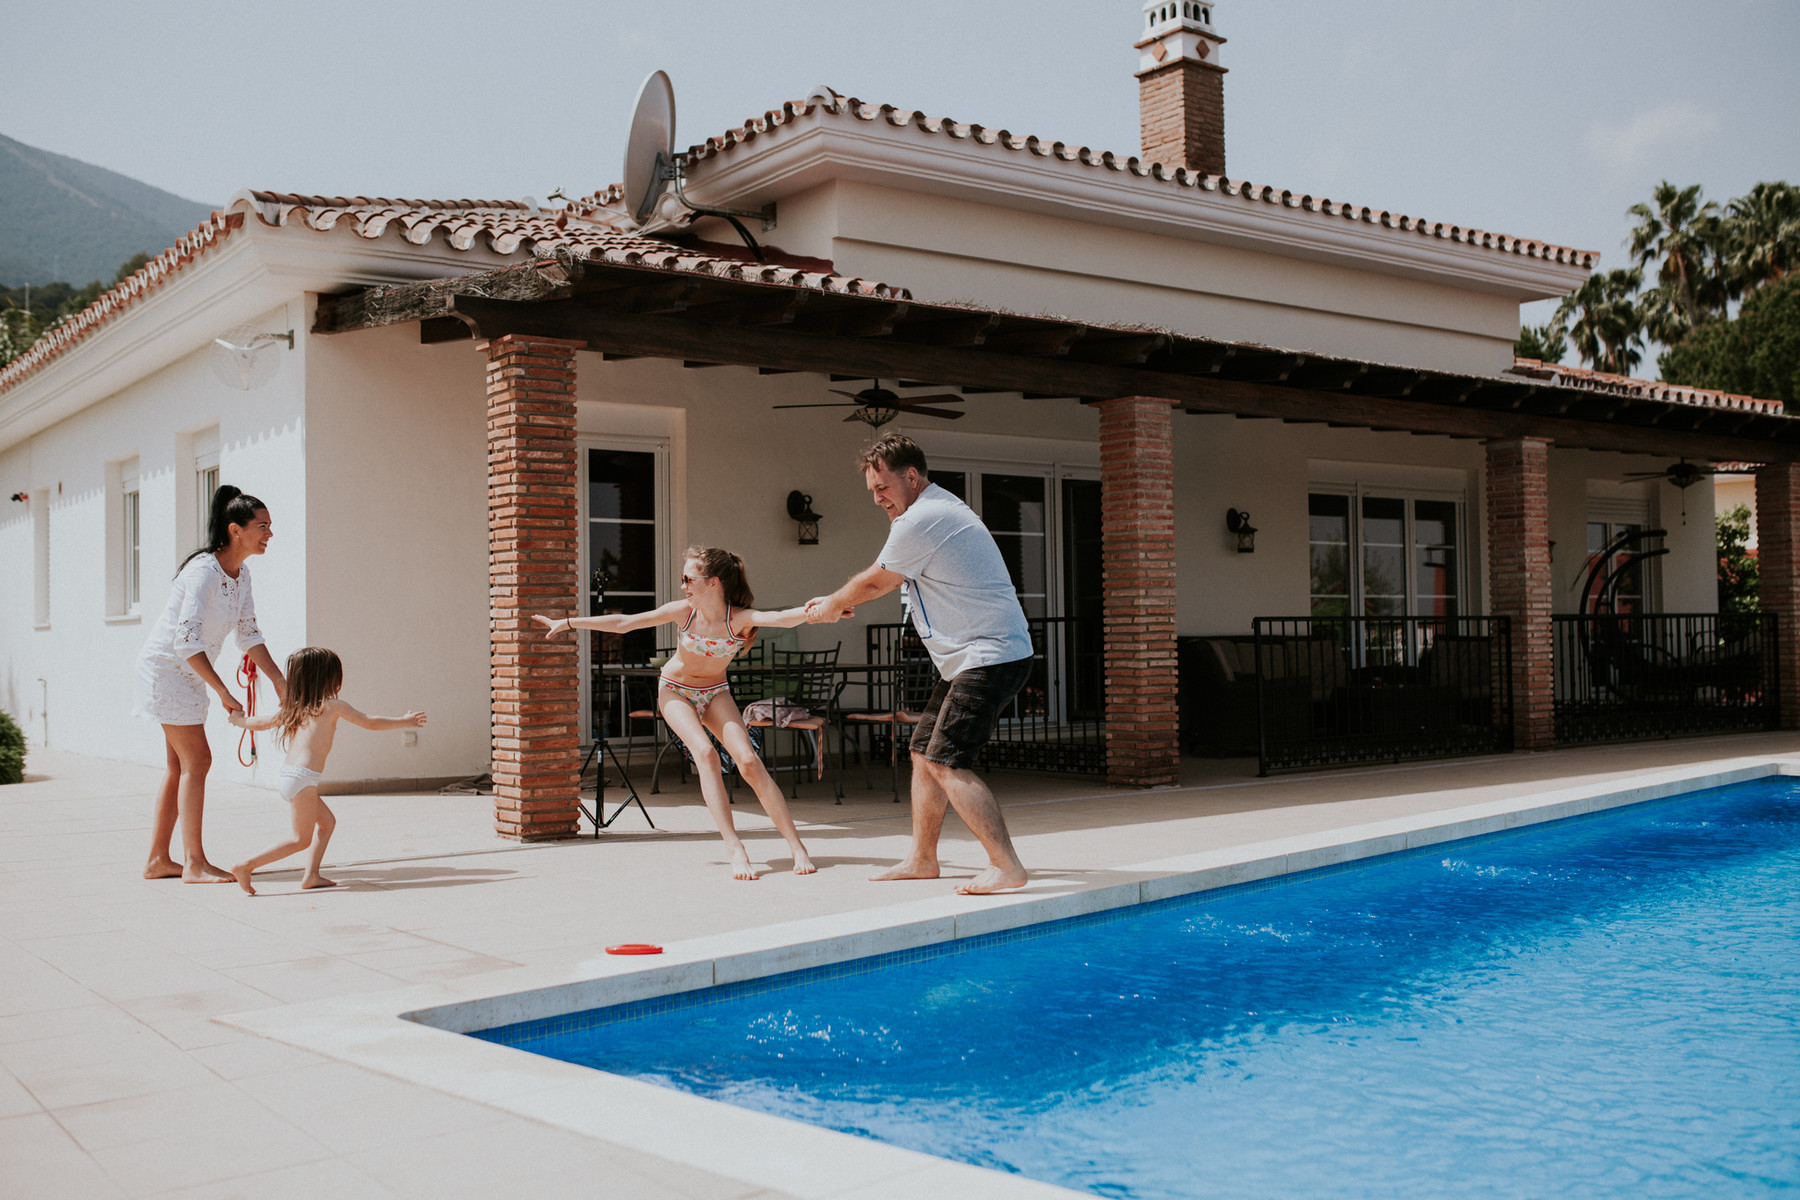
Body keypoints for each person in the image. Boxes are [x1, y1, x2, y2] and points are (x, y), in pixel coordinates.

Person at [806, 433, 1034, 894]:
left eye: (883, 487)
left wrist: (832, 604)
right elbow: (891, 582)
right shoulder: (931, 512)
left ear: (912, 476)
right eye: (872, 490)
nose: (877, 499)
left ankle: (1006, 865)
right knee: (922, 752)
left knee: (947, 761)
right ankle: (922, 858)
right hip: (971, 660)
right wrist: (841, 601)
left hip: (989, 656)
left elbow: (876, 582)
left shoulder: (926, 516)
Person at [535, 547, 833, 881]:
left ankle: (796, 846)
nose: (683, 586)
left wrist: (823, 607)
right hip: (675, 690)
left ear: (713, 583)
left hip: (715, 692)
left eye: (688, 578)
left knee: (749, 762)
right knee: (705, 754)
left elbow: (782, 618)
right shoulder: (684, 612)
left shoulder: (739, 619)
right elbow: (625, 623)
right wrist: (569, 622)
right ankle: (735, 847)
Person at [132, 485, 287, 883]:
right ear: (236, 530)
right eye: (263, 526)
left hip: (189, 671)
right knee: (198, 761)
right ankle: (194, 863)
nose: (269, 534)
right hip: (168, 669)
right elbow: (186, 641)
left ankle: (157, 860)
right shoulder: (203, 571)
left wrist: (278, 679)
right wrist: (222, 690)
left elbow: (249, 632)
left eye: (270, 527)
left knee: (178, 766)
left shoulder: (242, 575)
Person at [225, 647, 426, 895]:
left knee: (327, 823)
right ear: (330, 678)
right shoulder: (332, 706)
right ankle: (246, 865)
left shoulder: (296, 707)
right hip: (302, 779)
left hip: (291, 777)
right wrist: (404, 721)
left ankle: (311, 875)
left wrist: (238, 720)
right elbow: (370, 722)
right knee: (300, 839)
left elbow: (262, 722)